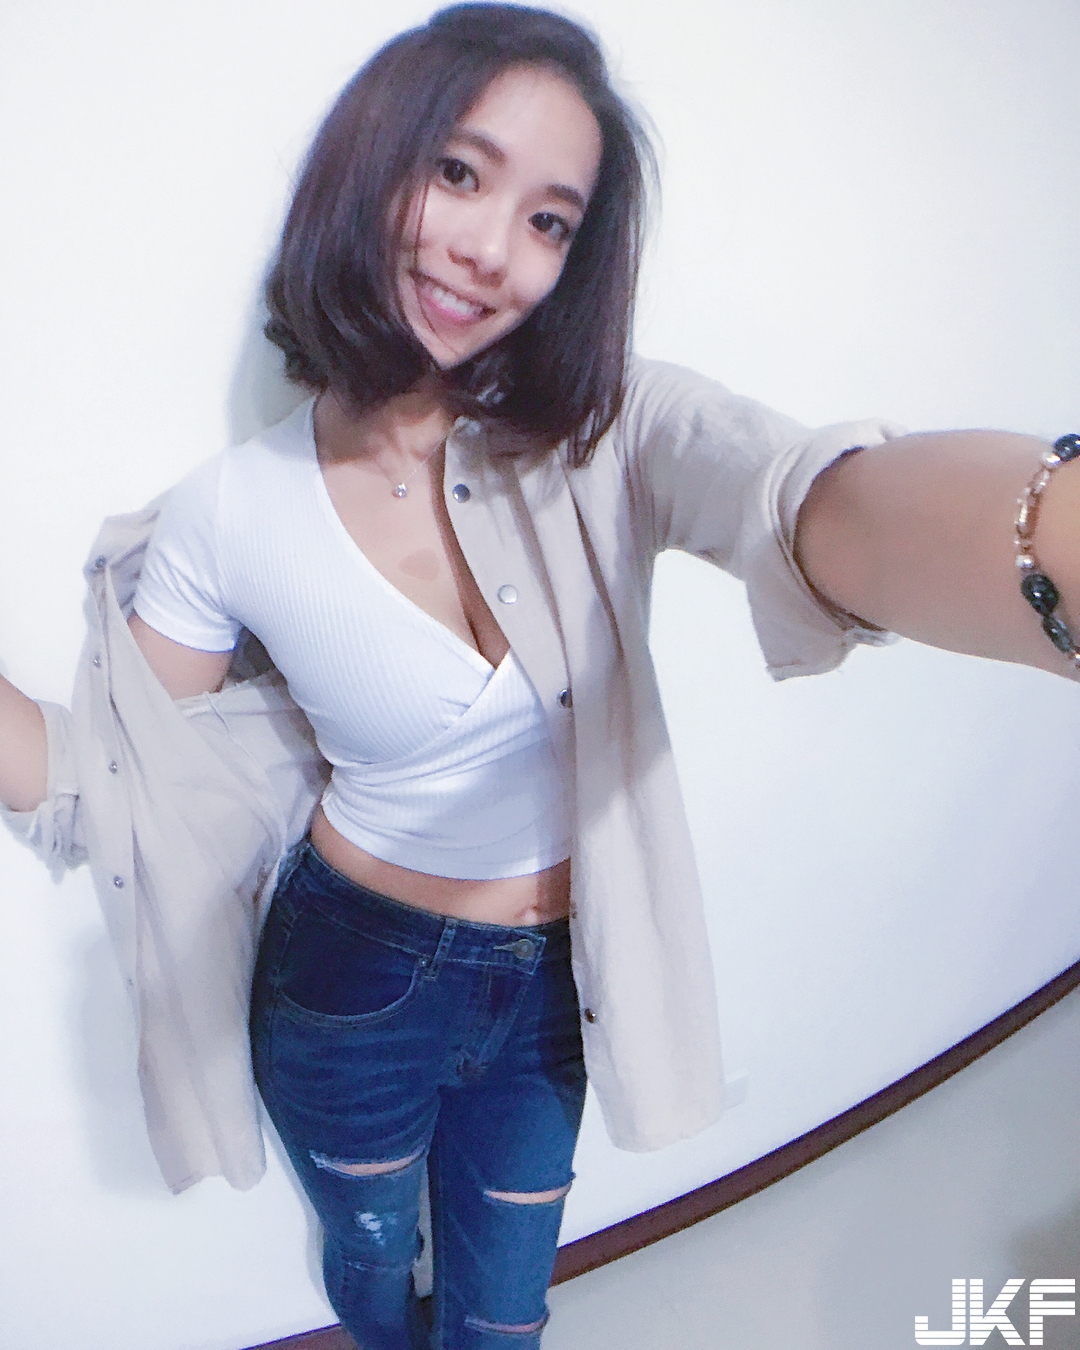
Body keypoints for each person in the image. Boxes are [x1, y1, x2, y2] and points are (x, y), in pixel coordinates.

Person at [1, 5, 1077, 1348]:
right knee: (370, 1262)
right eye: (459, 172)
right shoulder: (229, 515)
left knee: (506, 1310)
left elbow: (803, 498)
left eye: (550, 220)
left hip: (554, 979)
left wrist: (1047, 542)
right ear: (369, 167)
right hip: (351, 979)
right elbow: (113, 787)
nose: (492, 248)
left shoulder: (605, 430)